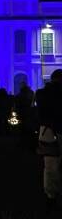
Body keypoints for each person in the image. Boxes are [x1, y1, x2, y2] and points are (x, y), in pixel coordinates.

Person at [36, 69, 62, 210]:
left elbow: (40, 113)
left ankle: (51, 195)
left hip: (48, 131)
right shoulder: (45, 94)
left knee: (50, 165)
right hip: (53, 129)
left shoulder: (42, 94)